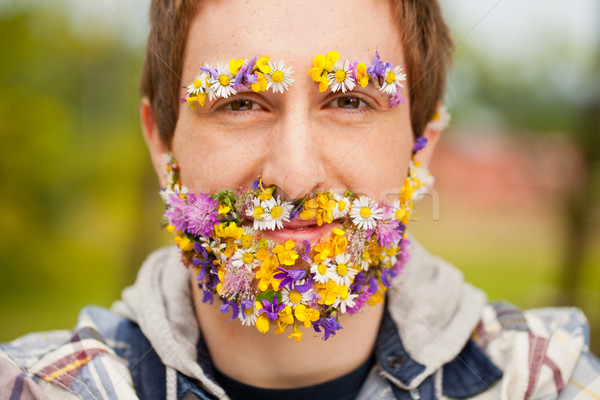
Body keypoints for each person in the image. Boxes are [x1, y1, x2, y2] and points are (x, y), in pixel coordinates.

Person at [1, 0, 599, 399]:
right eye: (239, 103)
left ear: (420, 149)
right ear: (162, 144)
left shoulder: (548, 380)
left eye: (349, 102)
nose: (293, 177)